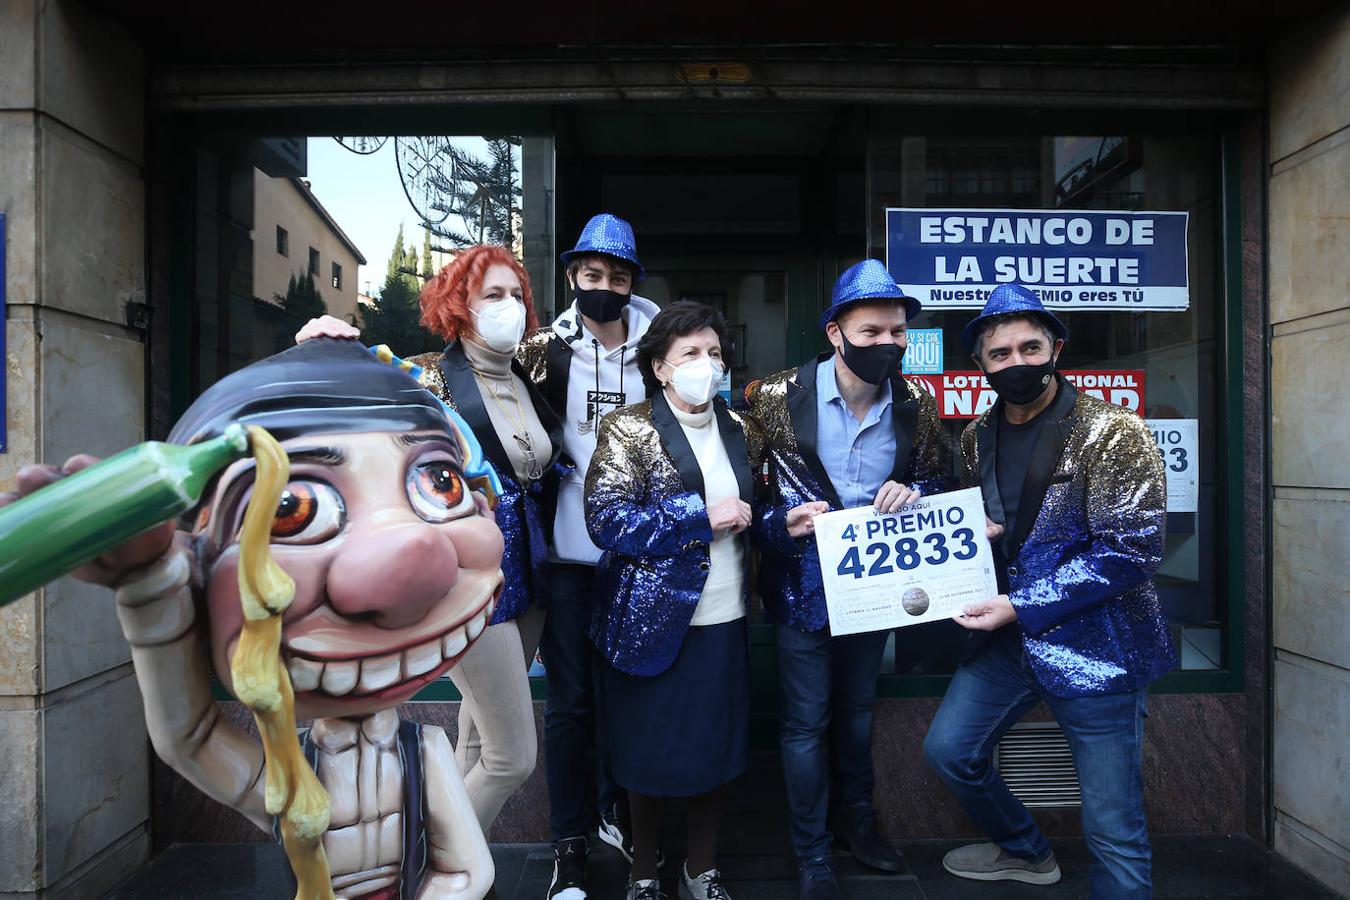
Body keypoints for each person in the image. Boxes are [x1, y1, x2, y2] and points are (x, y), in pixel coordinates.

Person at [2, 339, 504, 898]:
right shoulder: (291, 772)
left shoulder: (427, 751)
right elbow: (189, 737)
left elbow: (469, 870)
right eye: (291, 509)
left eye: (440, 482)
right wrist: (150, 588)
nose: (413, 567)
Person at [295, 244, 561, 839]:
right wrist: (327, 341)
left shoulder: (524, 377)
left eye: (517, 295)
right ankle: (441, 866)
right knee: (510, 757)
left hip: (530, 570)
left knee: (477, 735)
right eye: (493, 295)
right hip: (467, 574)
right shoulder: (432, 377)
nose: (510, 306)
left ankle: (466, 877)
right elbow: (362, 395)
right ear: (458, 305)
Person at [922, 283, 1174, 899]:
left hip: (1099, 648)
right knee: (950, 750)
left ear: (1056, 348)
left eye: (1029, 347)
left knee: (1113, 828)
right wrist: (976, 537)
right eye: (1000, 354)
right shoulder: (976, 435)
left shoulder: (1113, 431)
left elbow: (1132, 548)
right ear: (980, 365)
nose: (1017, 363)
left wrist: (1020, 603)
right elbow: (998, 526)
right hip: (1011, 640)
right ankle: (1027, 852)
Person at [586, 301, 815, 900]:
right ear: (660, 368)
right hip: (650, 622)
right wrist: (697, 516)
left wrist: (781, 524)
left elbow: (749, 515)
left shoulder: (743, 430)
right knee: (645, 756)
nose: (706, 365)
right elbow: (607, 521)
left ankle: (701, 869)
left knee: (716, 751)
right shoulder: (627, 429)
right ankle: (643, 872)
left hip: (723, 617)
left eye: (714, 354)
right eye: (690, 354)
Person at [746, 259, 949, 900]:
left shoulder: (916, 403)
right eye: (873, 333)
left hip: (876, 584)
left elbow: (941, 479)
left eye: (898, 333)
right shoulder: (774, 398)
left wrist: (916, 490)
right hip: (803, 587)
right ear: (836, 333)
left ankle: (857, 827)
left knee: (857, 713)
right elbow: (745, 500)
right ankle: (812, 855)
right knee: (806, 721)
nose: (889, 344)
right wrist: (783, 524)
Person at [517, 213, 661, 898]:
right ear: (574, 275)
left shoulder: (663, 349)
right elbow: (463, 380)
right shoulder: (543, 349)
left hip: (638, 555)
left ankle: (626, 817)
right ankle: (568, 842)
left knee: (632, 694)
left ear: (634, 281)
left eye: (620, 275)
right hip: (569, 555)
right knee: (572, 704)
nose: (606, 286)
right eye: (594, 274)